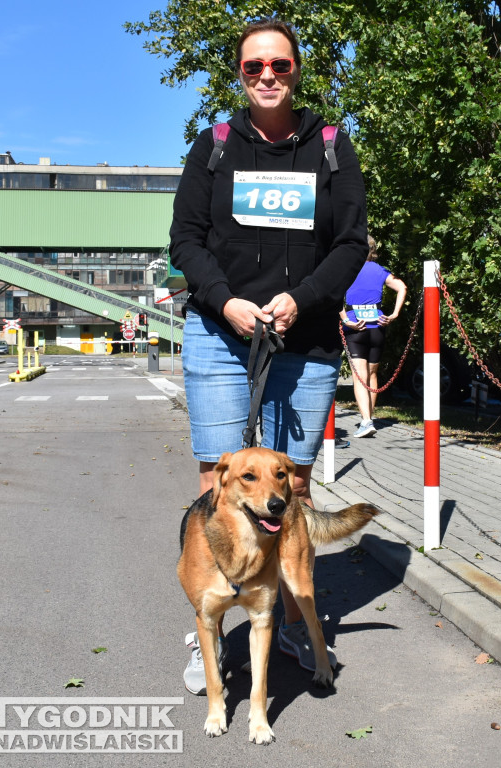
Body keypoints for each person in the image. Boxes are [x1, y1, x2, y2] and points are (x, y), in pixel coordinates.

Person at [169, 18, 368, 694]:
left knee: (291, 488)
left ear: (296, 70)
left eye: (279, 64)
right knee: (220, 484)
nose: (266, 76)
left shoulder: (333, 148)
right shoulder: (215, 146)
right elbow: (186, 241)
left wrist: (301, 297)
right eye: (254, 65)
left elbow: (350, 245)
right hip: (221, 336)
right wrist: (224, 300)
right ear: (239, 72)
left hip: (303, 343)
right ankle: (211, 628)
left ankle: (285, 615)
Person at [340, 236, 407, 438]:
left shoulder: (347, 268)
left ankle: (366, 421)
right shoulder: (379, 269)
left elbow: (333, 295)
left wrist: (345, 319)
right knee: (372, 373)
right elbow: (402, 287)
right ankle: (370, 418)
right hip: (378, 324)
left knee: (359, 375)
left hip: (355, 325)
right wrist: (394, 314)